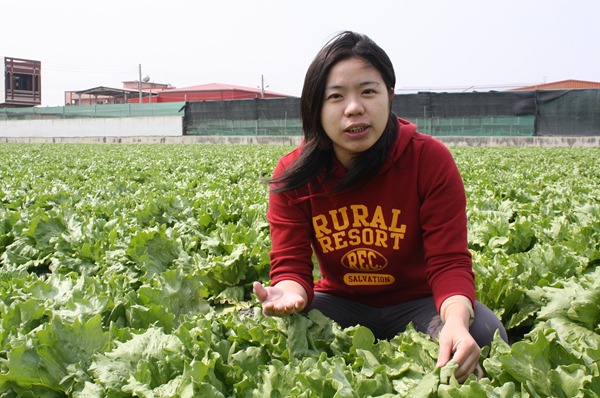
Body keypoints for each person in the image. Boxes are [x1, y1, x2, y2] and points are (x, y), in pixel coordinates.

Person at [253, 31, 507, 383]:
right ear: (316, 108)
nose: (353, 107)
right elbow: (291, 265)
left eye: (368, 92)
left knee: (482, 334)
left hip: (420, 304)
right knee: (269, 331)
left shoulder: (429, 160)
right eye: (336, 96)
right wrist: (289, 293)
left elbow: (449, 262)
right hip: (340, 303)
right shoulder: (294, 174)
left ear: (389, 96)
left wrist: (454, 322)